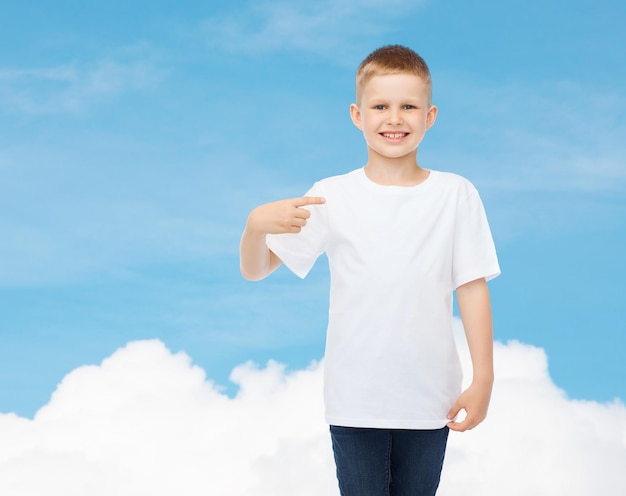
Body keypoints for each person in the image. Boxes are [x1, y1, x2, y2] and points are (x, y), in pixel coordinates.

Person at [239, 45, 500, 496]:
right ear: (357, 115)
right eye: (380, 106)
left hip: (431, 398)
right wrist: (253, 228)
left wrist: (485, 378)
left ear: (430, 115)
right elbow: (257, 270)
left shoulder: (456, 194)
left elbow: (472, 288)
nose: (394, 118)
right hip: (354, 400)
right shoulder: (331, 196)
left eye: (408, 107)